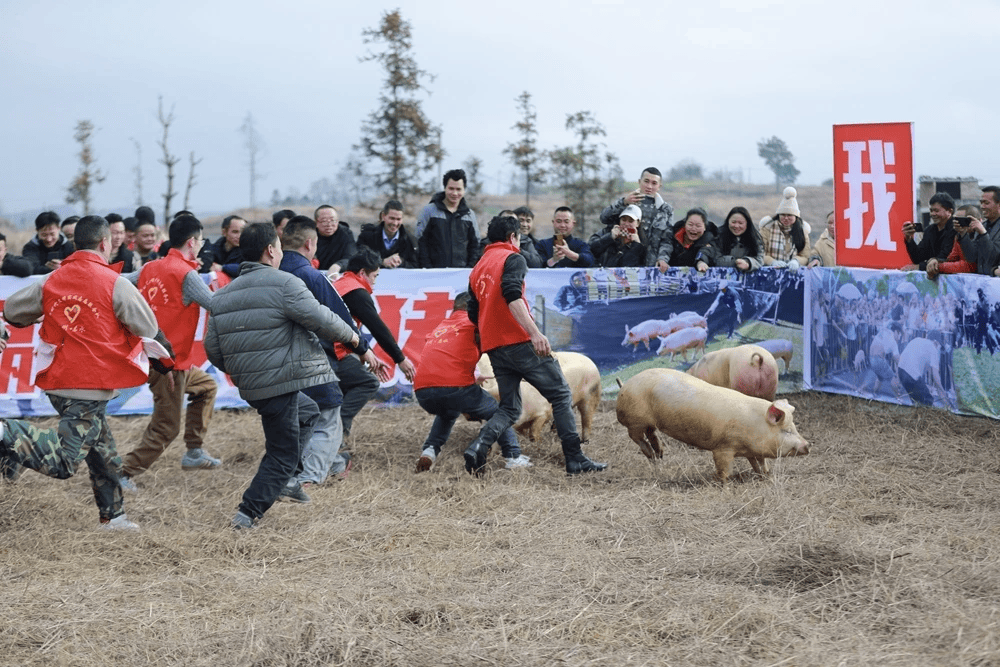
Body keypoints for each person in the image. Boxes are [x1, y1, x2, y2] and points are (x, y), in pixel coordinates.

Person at [0, 215, 174, 531]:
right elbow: (147, 326)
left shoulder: (52, 280)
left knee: (102, 449)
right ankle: (7, 433)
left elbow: (12, 311)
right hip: (88, 383)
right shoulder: (114, 283)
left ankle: (113, 516)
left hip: (57, 382)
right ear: (105, 243)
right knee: (66, 462)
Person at [204, 222, 360, 529]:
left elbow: (213, 350)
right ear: (271, 250)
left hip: (254, 384)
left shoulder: (221, 296)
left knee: (309, 411)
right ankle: (247, 514)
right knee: (282, 453)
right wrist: (352, 337)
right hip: (279, 382)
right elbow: (320, 318)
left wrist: (243, 369)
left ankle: (288, 481)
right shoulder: (285, 283)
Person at [463, 216, 606, 476]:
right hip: (518, 342)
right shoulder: (513, 258)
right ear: (513, 237)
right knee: (561, 395)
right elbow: (513, 296)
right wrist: (535, 333)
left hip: (495, 348)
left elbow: (473, 312)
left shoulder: (478, 267)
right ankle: (574, 459)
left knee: (509, 408)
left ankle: (478, 445)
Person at [278, 216, 389, 491]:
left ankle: (332, 465)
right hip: (313, 358)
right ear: (310, 243)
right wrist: (364, 350)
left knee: (294, 416)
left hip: (273, 361)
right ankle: (308, 481)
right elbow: (340, 320)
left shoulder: (268, 274)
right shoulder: (312, 277)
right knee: (328, 415)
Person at [119, 215, 220, 491]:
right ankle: (122, 473)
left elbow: (119, 283)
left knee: (206, 388)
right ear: (192, 242)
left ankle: (194, 452)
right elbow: (214, 304)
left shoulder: (151, 266)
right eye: (200, 241)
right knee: (167, 427)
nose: (201, 246)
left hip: (168, 360)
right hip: (168, 366)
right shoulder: (186, 274)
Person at [412, 291, 529, 473]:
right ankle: (513, 456)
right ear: (473, 307)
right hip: (455, 388)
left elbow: (447, 358)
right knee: (501, 412)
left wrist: (473, 376)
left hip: (422, 392)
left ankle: (430, 451)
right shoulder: (474, 324)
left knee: (448, 411)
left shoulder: (441, 327)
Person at [334, 248, 416, 439]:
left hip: (323, 349)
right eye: (374, 276)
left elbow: (348, 326)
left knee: (347, 386)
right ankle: (338, 429)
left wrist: (366, 351)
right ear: (362, 273)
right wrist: (400, 359)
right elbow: (379, 329)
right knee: (368, 382)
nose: (374, 282)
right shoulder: (357, 292)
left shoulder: (341, 284)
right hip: (331, 352)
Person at [599, 167, 675, 269]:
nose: (649, 186)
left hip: (651, 265)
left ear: (659, 186)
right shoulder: (628, 202)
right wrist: (624, 202)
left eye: (654, 183)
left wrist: (662, 258)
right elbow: (604, 218)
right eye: (646, 181)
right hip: (624, 262)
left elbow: (667, 239)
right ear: (639, 182)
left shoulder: (666, 210)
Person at [417, 168, 480, 268]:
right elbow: (421, 241)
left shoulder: (470, 215)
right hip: (433, 274)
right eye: (451, 188)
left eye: (459, 189)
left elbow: (475, 245)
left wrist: (469, 268)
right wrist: (427, 268)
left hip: (461, 274)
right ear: (445, 188)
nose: (455, 193)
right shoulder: (429, 211)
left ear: (464, 190)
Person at [356, 200, 419, 268]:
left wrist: (400, 262)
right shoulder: (367, 236)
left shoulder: (410, 240)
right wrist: (381, 262)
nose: (395, 223)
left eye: (398, 219)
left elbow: (416, 265)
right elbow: (358, 259)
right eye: (392, 218)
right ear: (383, 216)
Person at [902, 193, 956, 271]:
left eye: (936, 211)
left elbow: (945, 258)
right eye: (931, 210)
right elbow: (918, 257)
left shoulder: (956, 229)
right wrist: (909, 238)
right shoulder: (929, 230)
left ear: (949, 211)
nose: (932, 214)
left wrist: (920, 267)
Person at [760, 187, 812, 269]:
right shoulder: (767, 229)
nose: (786, 218)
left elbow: (805, 256)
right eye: (783, 215)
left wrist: (796, 261)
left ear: (796, 217)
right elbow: (760, 253)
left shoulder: (802, 231)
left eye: (789, 215)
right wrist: (772, 261)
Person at [956, 186, 1000, 276]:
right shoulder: (982, 225)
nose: (982, 206)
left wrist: (983, 233)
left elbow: (993, 258)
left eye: (986, 203)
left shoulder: (981, 228)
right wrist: (963, 234)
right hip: (982, 283)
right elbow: (972, 257)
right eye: (981, 202)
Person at [704, 206, 764, 272]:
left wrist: (748, 263)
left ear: (747, 224)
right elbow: (715, 259)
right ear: (728, 221)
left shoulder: (755, 238)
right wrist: (735, 262)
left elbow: (760, 259)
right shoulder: (718, 236)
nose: (736, 226)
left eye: (740, 223)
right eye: (733, 222)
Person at [928, 205, 981, 278]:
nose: (956, 224)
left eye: (959, 220)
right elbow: (952, 258)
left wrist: (939, 267)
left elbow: (970, 266)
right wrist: (935, 261)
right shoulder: (958, 236)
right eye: (955, 220)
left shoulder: (980, 237)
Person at [897, 337, 950, 408]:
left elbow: (930, 374)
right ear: (936, 343)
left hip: (900, 370)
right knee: (928, 402)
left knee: (917, 401)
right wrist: (943, 392)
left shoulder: (918, 339)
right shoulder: (933, 349)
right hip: (911, 375)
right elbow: (936, 377)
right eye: (940, 348)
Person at [315, 205, 357, 277]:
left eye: (333, 220)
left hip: (339, 275)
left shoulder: (345, 233)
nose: (329, 225)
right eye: (324, 221)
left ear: (338, 221)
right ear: (316, 223)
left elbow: (351, 256)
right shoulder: (310, 234)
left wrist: (338, 265)